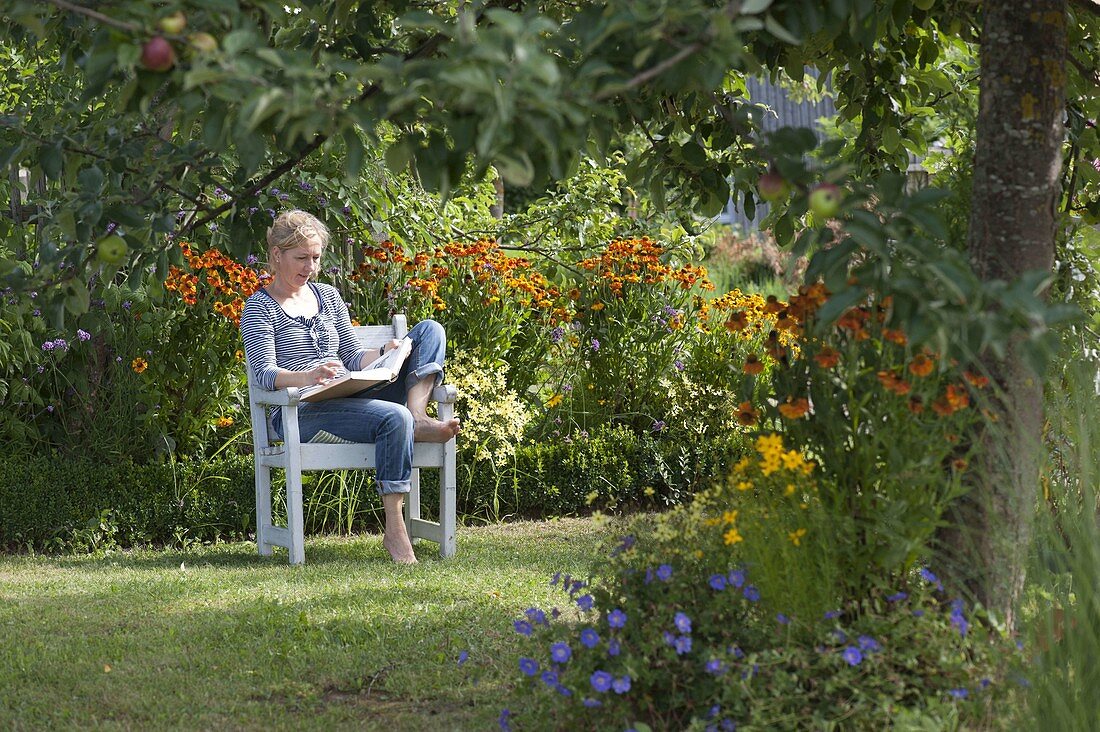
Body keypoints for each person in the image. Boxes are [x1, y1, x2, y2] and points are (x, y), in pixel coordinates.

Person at [240, 209, 460, 564]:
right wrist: (308, 377)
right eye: (301, 258)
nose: (310, 267)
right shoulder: (259, 308)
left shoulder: (327, 296)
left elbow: (351, 355)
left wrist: (384, 352)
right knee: (393, 418)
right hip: (302, 410)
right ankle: (395, 530)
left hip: (350, 395)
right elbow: (265, 374)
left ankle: (418, 413)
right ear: (276, 255)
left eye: (315, 258)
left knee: (430, 330)